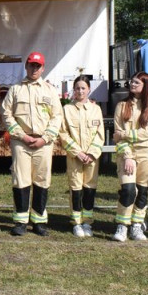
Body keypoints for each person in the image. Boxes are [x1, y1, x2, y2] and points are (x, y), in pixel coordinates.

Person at [1, 51, 63, 237]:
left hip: (43, 142)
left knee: (42, 181)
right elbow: (6, 114)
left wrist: (45, 138)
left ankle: (39, 221)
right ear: (26, 66)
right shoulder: (15, 89)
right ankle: (20, 221)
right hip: (21, 141)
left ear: (43, 68)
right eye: (31, 65)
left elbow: (57, 116)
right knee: (21, 180)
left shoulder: (50, 90)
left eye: (38, 66)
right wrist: (21, 135)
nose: (34, 69)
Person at [111, 72, 148, 242]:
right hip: (127, 153)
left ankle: (137, 224)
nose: (132, 85)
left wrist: (124, 134)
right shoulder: (121, 106)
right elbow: (116, 133)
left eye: (136, 82)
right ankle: (122, 225)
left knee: (142, 192)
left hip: (147, 154)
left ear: (145, 85)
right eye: (131, 82)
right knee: (128, 190)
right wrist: (127, 155)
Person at [58, 75, 104, 238]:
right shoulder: (67, 110)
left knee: (90, 188)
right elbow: (63, 133)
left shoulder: (95, 109)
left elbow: (100, 134)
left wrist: (91, 153)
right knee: (76, 188)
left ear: (89, 89)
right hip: (74, 157)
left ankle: (87, 222)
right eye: (77, 88)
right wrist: (77, 152)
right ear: (73, 90)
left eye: (83, 88)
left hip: (91, 157)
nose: (80, 91)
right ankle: (76, 222)